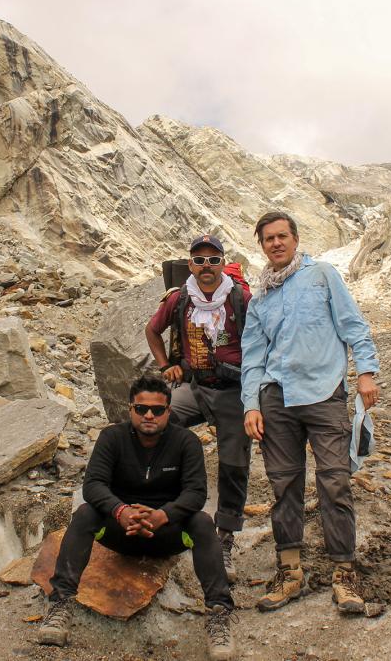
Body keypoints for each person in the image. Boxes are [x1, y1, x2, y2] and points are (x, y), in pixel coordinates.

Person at [38, 374, 236, 660]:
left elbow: (196, 493)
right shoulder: (112, 437)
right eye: (141, 409)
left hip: (167, 533)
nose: (149, 415)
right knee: (84, 515)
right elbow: (93, 484)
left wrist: (163, 515)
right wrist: (121, 511)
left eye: (157, 410)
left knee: (203, 523)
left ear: (169, 411)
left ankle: (219, 615)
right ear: (130, 409)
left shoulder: (186, 442)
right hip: (121, 532)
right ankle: (60, 605)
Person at [240, 211, 381, 614]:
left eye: (282, 236)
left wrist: (366, 372)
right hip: (276, 400)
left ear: (296, 239)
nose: (276, 243)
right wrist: (251, 404)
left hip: (323, 394)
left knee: (335, 482)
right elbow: (252, 355)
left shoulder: (322, 275)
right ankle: (290, 574)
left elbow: (353, 324)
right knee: (283, 486)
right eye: (268, 239)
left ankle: (344, 576)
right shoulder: (260, 296)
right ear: (261, 245)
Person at [145, 234, 251, 581]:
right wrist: (165, 367)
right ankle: (163, 510)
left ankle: (225, 536)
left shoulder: (240, 298)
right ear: (190, 264)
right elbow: (152, 330)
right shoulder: (180, 299)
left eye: (213, 260)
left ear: (223, 263)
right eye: (199, 260)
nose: (206, 267)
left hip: (234, 389)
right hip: (194, 385)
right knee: (157, 424)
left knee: (234, 461)